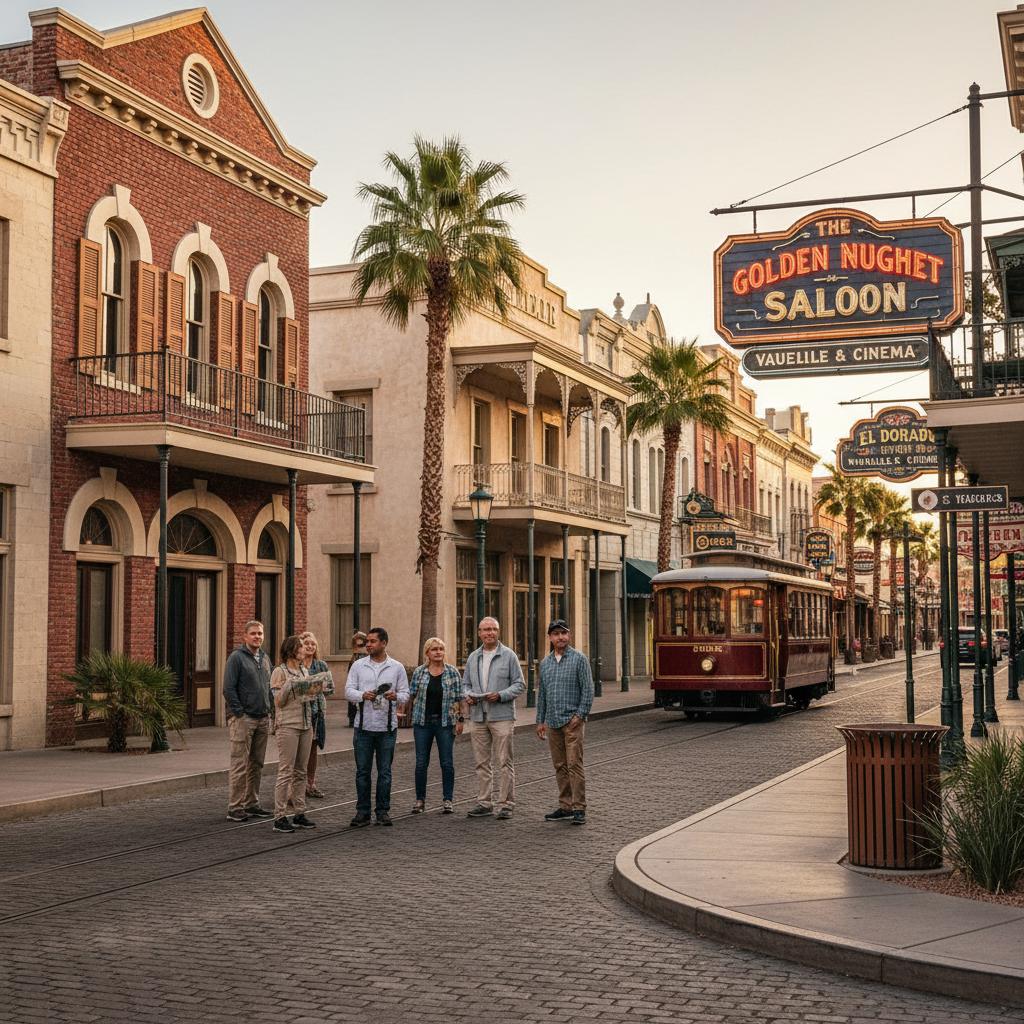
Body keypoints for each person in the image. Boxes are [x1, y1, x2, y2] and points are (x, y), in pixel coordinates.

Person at [344, 626, 409, 826]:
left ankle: (382, 811)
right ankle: (362, 812)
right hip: (363, 727)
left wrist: (396, 696)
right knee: (362, 772)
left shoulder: (396, 667)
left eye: (372, 642)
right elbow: (348, 691)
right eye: (367, 642)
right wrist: (362, 695)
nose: (368, 645)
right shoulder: (358, 666)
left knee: (385, 772)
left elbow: (406, 694)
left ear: (383, 643)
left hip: (387, 728)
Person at [462, 617, 524, 820]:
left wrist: (501, 695)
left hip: (502, 716)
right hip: (478, 717)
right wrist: (468, 696)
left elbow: (519, 684)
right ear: (479, 633)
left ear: (498, 632)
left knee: (505, 761)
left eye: (493, 629)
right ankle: (484, 802)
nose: (489, 633)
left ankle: (506, 804)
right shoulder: (473, 657)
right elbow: (465, 684)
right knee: (482, 762)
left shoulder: (509, 656)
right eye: (485, 629)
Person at [269, 635, 331, 834]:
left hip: (306, 724)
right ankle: (279, 816)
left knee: (301, 771)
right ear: (291, 650)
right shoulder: (279, 672)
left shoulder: (305, 669)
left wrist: (317, 687)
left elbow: (308, 697)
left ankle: (299, 812)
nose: (305, 649)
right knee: (285, 770)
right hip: (288, 725)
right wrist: (291, 685)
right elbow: (278, 701)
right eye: (301, 647)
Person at [536, 619, 594, 826]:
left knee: (574, 765)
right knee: (559, 765)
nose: (560, 637)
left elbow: (588, 690)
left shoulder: (579, 659)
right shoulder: (545, 663)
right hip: (552, 722)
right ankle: (565, 806)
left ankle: (579, 808)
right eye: (556, 634)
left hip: (572, 722)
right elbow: (542, 694)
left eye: (564, 633)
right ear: (550, 637)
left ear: (569, 636)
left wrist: (579, 716)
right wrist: (540, 721)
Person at [223, 620, 274, 822]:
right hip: (244, 719)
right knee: (240, 764)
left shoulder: (265, 658)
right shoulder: (236, 658)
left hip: (263, 718)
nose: (257, 637)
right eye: (253, 633)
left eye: (260, 634)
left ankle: (252, 803)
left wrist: (270, 711)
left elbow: (270, 687)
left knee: (257, 764)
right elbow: (228, 688)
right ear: (245, 636)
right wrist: (239, 713)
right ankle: (235, 807)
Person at [408, 637, 464, 814]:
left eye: (441, 649)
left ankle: (448, 799)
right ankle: (420, 800)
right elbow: (411, 694)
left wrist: (460, 720)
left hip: (445, 723)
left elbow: (459, 698)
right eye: (434, 649)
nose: (438, 652)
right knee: (421, 763)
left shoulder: (452, 672)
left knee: (447, 762)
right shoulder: (420, 672)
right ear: (427, 653)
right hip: (422, 723)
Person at [300, 631, 335, 799]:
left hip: (316, 713)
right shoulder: (295, 664)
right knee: (299, 750)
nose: (310, 646)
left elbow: (330, 689)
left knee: (313, 749)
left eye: (313, 644)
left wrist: (318, 687)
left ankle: (310, 783)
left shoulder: (321, 665)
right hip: (299, 713)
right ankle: (297, 786)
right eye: (306, 643)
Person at [348, 630, 368, 727]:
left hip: (363, 676)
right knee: (353, 697)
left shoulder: (366, 654)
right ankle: (352, 719)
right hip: (354, 674)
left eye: (361, 645)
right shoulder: (354, 656)